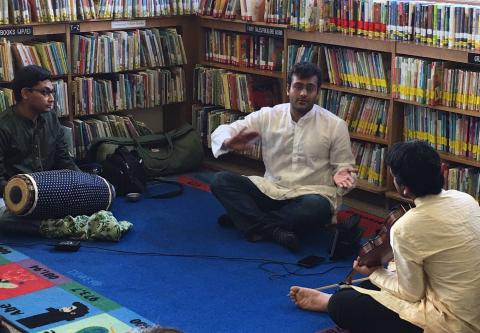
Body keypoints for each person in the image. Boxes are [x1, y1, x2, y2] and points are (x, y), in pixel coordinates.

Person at [289, 140, 480, 333]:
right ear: (442, 170)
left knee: (343, 302)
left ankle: (330, 302)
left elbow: (411, 294)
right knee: (378, 281)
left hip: (453, 325)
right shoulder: (465, 199)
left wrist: (374, 272)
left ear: (404, 188)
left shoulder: (406, 227)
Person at [210, 62, 356, 251]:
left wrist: (342, 175)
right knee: (220, 181)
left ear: (317, 92)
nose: (303, 93)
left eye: (309, 88)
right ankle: (275, 230)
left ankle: (249, 220)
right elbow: (225, 130)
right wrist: (228, 142)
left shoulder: (335, 125)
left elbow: (346, 170)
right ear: (288, 89)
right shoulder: (269, 116)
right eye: (298, 86)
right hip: (272, 189)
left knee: (316, 209)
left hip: (310, 194)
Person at [0, 65, 79, 198]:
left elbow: (64, 159)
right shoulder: (4, 126)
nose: (51, 99)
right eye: (44, 92)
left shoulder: (51, 117)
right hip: (15, 196)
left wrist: (85, 182)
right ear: (25, 93)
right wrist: (25, 197)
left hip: (49, 190)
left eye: (51, 92)